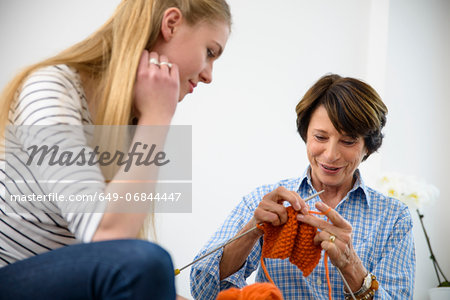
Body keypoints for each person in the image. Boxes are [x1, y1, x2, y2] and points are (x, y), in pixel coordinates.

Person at [0, 0, 231, 299]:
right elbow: (108, 237)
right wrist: (158, 117)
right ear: (171, 24)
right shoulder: (51, 89)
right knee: (149, 261)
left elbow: (113, 264)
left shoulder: (130, 125)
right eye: (209, 52)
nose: (208, 75)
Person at [190, 74, 415, 299]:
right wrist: (251, 231)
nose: (331, 154)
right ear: (305, 134)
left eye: (348, 141)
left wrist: (351, 265)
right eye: (320, 137)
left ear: (368, 147)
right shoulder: (265, 201)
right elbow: (203, 291)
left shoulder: (393, 218)